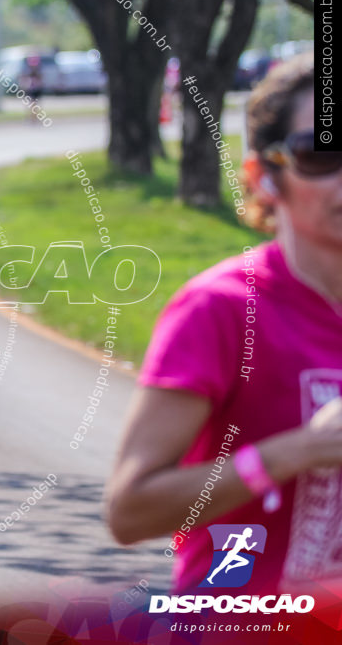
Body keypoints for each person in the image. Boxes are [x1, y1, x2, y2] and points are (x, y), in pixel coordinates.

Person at [106, 54, 342, 596]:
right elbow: (130, 508)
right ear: (264, 179)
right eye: (318, 154)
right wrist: (302, 450)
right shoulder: (222, 309)